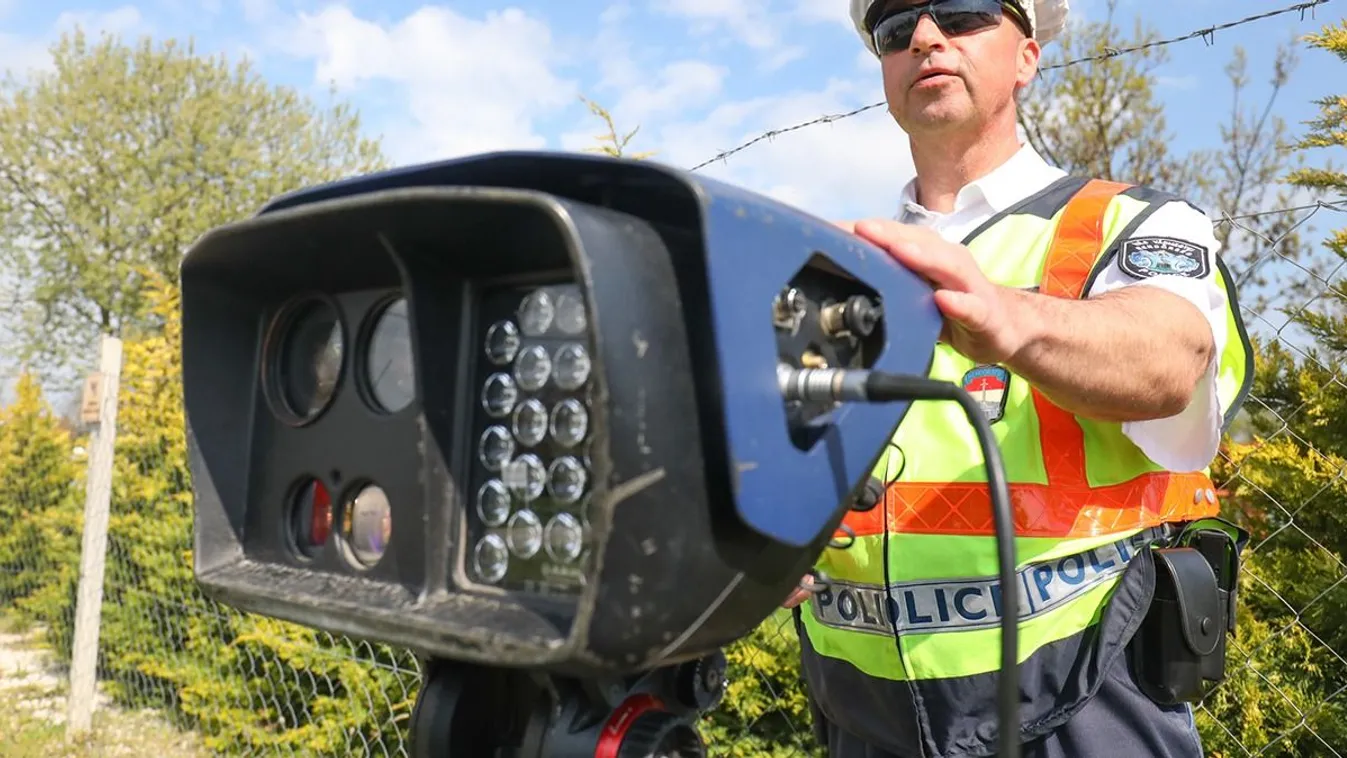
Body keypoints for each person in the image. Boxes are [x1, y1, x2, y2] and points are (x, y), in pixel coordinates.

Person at [783, 1, 1253, 756]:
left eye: (961, 13)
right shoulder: (834, 265)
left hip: (1083, 690)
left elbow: (1171, 359)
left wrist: (1012, 319)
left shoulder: (1129, 223)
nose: (926, 38)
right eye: (895, 31)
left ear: (1027, 55)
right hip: (862, 708)